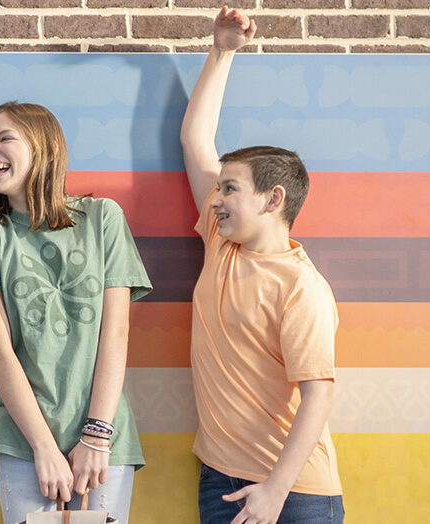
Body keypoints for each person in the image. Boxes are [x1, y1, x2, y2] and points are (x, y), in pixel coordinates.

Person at [0, 102, 152, 524]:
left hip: (105, 438)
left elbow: (115, 335)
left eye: (5, 138)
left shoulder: (102, 219)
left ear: (45, 149)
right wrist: (43, 446)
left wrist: (96, 436)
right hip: (23, 442)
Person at [180, 8, 345, 524]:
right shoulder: (220, 243)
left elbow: (318, 393)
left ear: (273, 199)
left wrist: (276, 489)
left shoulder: (302, 288)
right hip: (221, 479)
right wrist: (223, 50)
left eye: (230, 188)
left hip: (293, 493)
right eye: (219, 187)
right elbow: (195, 140)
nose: (215, 199)